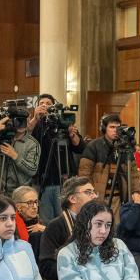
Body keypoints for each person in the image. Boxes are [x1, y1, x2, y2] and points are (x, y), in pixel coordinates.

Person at [28, 94, 87, 223]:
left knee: (67, 219)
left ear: (54, 106)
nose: (44, 105)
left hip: (64, 180)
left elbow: (80, 147)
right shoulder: (36, 124)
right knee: (46, 220)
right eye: (41, 103)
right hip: (43, 181)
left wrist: (72, 135)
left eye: (48, 103)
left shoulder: (63, 123)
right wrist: (35, 119)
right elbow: (26, 139)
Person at [38, 177, 98, 280]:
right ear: (72, 199)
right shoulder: (56, 226)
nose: (94, 196)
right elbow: (46, 267)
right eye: (88, 192)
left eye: (94, 192)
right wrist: (78, 273)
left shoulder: (100, 223)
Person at [78, 114, 140, 214]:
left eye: (118, 127)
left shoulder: (125, 147)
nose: (116, 130)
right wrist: (88, 194)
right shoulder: (94, 146)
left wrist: (136, 192)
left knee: (116, 228)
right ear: (104, 128)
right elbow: (84, 174)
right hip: (98, 197)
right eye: (112, 127)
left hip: (119, 198)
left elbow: (133, 174)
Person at [0, 111, 41, 196]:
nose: (21, 124)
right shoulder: (0, 138)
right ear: (11, 122)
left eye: (24, 120)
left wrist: (15, 156)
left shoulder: (32, 144)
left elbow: (32, 170)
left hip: (20, 193)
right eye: (18, 120)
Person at [11, 186, 46, 261]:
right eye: (29, 203)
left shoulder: (40, 223)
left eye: (36, 202)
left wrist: (46, 231)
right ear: (18, 206)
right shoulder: (12, 225)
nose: (35, 207)